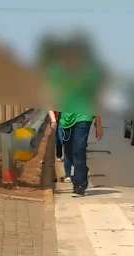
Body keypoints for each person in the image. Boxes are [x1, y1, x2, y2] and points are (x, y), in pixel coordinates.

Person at [45, 37, 103, 196]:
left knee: (79, 148)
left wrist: (98, 123)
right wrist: (53, 118)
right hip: (66, 118)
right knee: (69, 151)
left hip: (84, 115)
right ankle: (82, 170)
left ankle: (80, 184)